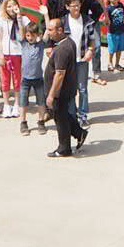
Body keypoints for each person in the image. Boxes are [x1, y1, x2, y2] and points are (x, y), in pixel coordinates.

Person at [42, 16, 85, 157]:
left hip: (61, 91)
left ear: (60, 30)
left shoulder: (62, 49)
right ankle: (79, 133)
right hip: (66, 89)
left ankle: (64, 148)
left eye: (50, 30)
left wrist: (51, 95)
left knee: (60, 120)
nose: (48, 33)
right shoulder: (68, 43)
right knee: (62, 115)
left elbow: (59, 74)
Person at [0, 0, 25, 118]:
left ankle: (17, 103)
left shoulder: (23, 19)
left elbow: (23, 36)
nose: (11, 8)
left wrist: (18, 17)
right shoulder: (2, 20)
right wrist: (0, 53)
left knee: (17, 79)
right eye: (8, 6)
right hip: (6, 53)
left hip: (17, 53)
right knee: (5, 80)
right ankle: (6, 104)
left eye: (13, 5)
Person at [18, 16, 48, 136]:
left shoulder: (40, 45)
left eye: (32, 35)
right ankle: (23, 122)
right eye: (28, 35)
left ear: (37, 35)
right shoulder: (24, 43)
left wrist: (46, 15)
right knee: (23, 102)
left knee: (41, 102)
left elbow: (47, 32)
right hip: (25, 79)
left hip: (38, 79)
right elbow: (20, 30)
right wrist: (19, 18)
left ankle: (41, 122)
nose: (29, 38)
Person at [104, 0, 124, 74]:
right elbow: (106, 20)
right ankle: (110, 63)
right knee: (112, 49)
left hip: (121, 31)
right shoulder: (108, 9)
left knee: (119, 49)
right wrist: (106, 21)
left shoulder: (121, 5)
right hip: (112, 32)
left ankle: (117, 63)